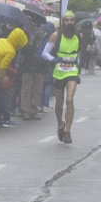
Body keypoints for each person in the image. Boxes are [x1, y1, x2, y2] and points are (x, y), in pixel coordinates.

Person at [43, 11, 81, 144]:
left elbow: (78, 52)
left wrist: (78, 62)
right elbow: (44, 53)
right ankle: (60, 124)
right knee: (59, 102)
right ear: (63, 22)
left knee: (69, 99)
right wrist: (54, 59)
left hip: (72, 71)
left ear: (74, 22)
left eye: (72, 20)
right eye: (67, 20)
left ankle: (68, 132)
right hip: (59, 71)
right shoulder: (56, 35)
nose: (70, 22)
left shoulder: (78, 36)